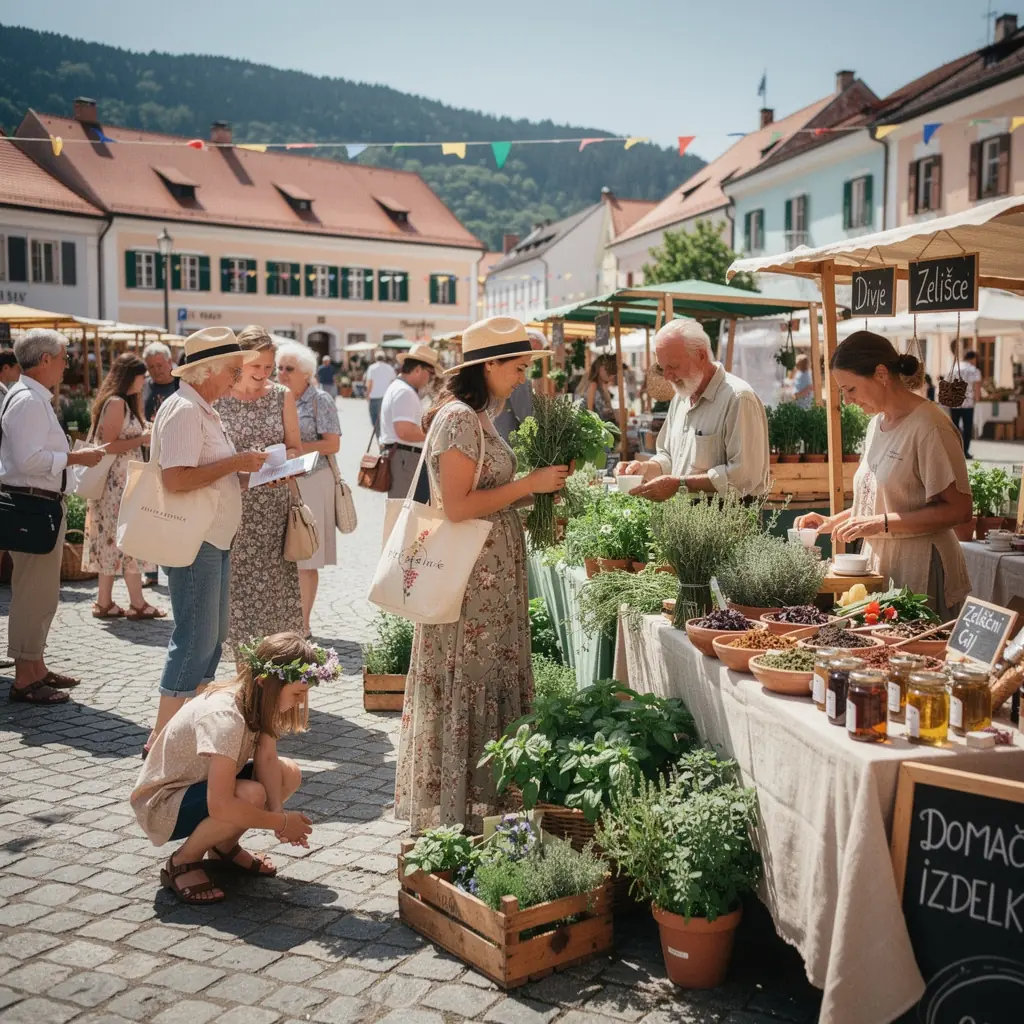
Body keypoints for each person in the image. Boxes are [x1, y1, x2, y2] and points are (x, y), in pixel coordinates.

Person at [394, 316, 569, 831]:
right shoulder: (458, 420)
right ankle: (462, 814)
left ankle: (486, 811)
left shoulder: (477, 417)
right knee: (471, 678)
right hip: (469, 585)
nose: (522, 377)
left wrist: (540, 492)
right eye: (516, 367)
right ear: (488, 364)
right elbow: (455, 506)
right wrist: (528, 486)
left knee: (490, 676)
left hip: (489, 581)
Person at [131, 632, 329, 904]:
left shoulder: (259, 701)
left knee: (288, 772)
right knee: (250, 794)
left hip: (198, 787)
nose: (300, 702)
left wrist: (278, 812)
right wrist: (282, 822)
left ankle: (223, 847)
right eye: (297, 693)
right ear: (266, 683)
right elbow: (220, 805)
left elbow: (267, 759)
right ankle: (182, 862)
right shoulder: (225, 718)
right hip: (161, 804)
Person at [795, 331, 972, 619]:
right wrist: (832, 522)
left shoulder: (930, 426)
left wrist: (881, 523)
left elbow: (960, 509)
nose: (848, 400)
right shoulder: (876, 424)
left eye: (850, 389)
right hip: (879, 567)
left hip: (923, 569)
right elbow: (883, 500)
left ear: (880, 374)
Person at [148, 327, 267, 751]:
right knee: (196, 635)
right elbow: (175, 478)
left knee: (212, 637)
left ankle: (184, 729)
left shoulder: (200, 408)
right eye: (234, 370)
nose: (239, 378)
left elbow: (204, 473)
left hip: (212, 535)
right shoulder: (185, 409)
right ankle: (162, 737)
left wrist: (245, 473)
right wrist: (236, 462)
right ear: (208, 370)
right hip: (195, 537)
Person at [0, 329, 106, 705]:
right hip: (33, 505)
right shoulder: (28, 400)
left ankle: (36, 667)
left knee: (41, 593)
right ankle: (24, 679)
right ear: (44, 359)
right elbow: (28, 460)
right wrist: (76, 459)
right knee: (33, 594)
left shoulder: (30, 397)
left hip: (40, 503)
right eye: (64, 357)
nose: (67, 364)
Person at [215, 326, 304, 652]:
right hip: (231, 506)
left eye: (269, 367)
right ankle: (242, 676)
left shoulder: (282, 396)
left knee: (274, 591)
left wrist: (283, 461)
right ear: (239, 363)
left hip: (273, 508)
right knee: (235, 593)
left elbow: (295, 446)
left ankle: (272, 671)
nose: (264, 374)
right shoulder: (220, 398)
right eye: (257, 367)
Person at [616, 319, 769, 502]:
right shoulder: (681, 397)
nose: (667, 376)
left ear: (701, 356)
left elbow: (743, 477)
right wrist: (644, 468)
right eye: (662, 368)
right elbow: (668, 456)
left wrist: (680, 484)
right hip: (687, 517)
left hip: (731, 520)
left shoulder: (738, 398)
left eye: (673, 366)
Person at [82, 353, 164, 621]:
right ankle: (137, 603)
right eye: (143, 377)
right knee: (128, 539)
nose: (145, 382)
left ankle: (104, 602)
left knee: (113, 540)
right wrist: (142, 438)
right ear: (132, 376)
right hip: (117, 484)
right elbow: (107, 446)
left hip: (122, 482)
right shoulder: (116, 403)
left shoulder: (123, 403)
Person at [276, 342, 342, 638]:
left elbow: (332, 444)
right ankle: (283, 620)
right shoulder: (275, 398)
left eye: (289, 368)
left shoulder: (320, 399)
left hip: (314, 479)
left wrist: (296, 449)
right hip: (282, 481)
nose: (281, 373)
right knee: (282, 554)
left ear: (306, 373)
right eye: (279, 367)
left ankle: (302, 625)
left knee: (306, 556)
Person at [379, 344, 439, 505]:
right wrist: (435, 434)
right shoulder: (405, 392)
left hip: (402, 456)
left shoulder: (400, 388)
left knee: (402, 511)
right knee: (405, 512)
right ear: (418, 369)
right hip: (405, 457)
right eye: (430, 373)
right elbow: (404, 431)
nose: (430, 378)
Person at [493, 328, 545, 443]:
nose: (533, 354)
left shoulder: (505, 371)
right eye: (532, 348)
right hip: (505, 438)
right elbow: (525, 414)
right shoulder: (517, 375)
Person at [943, 343, 983, 459]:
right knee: (967, 427)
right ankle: (965, 451)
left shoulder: (954, 368)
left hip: (954, 402)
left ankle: (954, 451)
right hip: (968, 403)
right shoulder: (974, 370)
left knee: (954, 428)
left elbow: (947, 384)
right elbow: (977, 387)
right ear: (973, 358)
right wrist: (977, 399)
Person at [142, 341, 180, 422]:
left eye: (159, 365)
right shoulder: (142, 386)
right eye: (151, 367)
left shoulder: (183, 385)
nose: (156, 370)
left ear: (169, 362)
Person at [580, 353, 618, 423]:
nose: (612, 376)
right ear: (599, 368)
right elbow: (589, 411)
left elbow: (603, 408)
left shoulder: (602, 386)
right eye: (608, 370)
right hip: (590, 425)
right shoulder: (593, 385)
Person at [365, 350, 396, 436]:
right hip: (386, 397)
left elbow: (370, 383)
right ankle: (383, 438)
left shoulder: (372, 368)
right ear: (384, 358)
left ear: (375, 358)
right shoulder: (390, 368)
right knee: (385, 420)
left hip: (374, 397)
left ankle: (379, 438)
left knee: (374, 420)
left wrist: (367, 394)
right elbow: (393, 382)